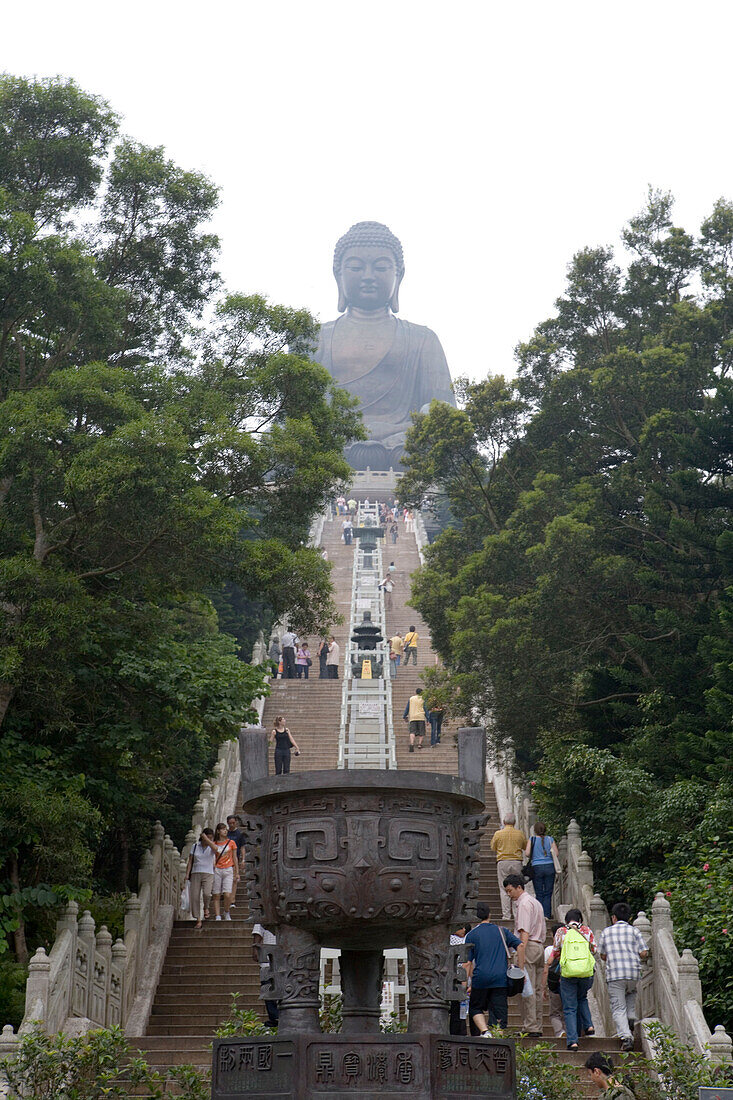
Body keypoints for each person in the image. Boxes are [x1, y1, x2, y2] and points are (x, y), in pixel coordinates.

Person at [312, 222, 455, 471]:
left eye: (380, 267)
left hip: (400, 444)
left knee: (445, 436)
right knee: (281, 439)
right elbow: (292, 413)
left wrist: (430, 417)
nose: (368, 276)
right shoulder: (312, 339)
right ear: (338, 274)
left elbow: (443, 407)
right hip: (335, 444)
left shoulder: (423, 339)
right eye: (356, 267)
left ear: (398, 275)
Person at [465, 902, 522, 1036]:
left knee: (475, 1007)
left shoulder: (471, 935)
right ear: (489, 914)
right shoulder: (502, 931)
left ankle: (484, 1031)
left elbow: (467, 963)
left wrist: (465, 982)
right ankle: (497, 1037)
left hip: (480, 978)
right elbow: (520, 946)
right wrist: (521, 969)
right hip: (500, 978)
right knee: (499, 1011)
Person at [598, 902, 649, 1051]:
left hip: (615, 975)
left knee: (618, 1007)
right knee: (631, 994)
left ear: (613, 917)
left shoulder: (606, 932)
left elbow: (602, 954)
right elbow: (644, 952)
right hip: (633, 973)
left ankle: (627, 1037)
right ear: (629, 917)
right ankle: (631, 1016)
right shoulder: (635, 931)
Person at [503, 873, 546, 1037]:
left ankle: (530, 1026)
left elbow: (524, 932)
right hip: (539, 947)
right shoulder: (536, 902)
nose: (509, 894)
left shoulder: (523, 904)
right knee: (535, 989)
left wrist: (520, 954)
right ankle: (537, 1025)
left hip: (528, 948)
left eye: (510, 890)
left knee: (525, 989)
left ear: (519, 887)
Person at [549, 907, 597, 1051]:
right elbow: (594, 950)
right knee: (582, 997)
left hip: (568, 974)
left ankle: (573, 1041)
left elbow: (556, 952)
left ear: (566, 921)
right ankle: (588, 1025)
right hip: (585, 973)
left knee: (569, 1008)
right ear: (580, 920)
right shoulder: (587, 931)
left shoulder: (562, 931)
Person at [491, 814, 527, 920]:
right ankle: (517, 914)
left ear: (503, 822)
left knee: (504, 888)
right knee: (517, 887)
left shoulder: (498, 833)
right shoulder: (520, 833)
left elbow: (493, 847)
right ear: (514, 822)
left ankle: (506, 915)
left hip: (503, 862)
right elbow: (524, 846)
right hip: (516, 862)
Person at [524, 822, 559, 919]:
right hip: (550, 867)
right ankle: (546, 915)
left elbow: (527, 853)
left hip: (537, 867)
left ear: (535, 830)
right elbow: (556, 853)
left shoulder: (532, 839)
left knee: (539, 893)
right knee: (548, 893)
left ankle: (539, 915)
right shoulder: (550, 839)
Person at [185, 828, 216, 931]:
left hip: (208, 872)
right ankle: (198, 919)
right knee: (195, 897)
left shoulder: (211, 846)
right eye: (208, 837)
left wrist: (208, 840)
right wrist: (187, 874)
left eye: (211, 838)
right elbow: (190, 861)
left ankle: (206, 907)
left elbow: (216, 849)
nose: (210, 839)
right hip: (195, 872)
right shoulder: (195, 846)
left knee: (207, 893)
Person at [252, 923, 279, 1028]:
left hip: (283, 959)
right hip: (267, 959)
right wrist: (255, 949)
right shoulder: (263, 914)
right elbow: (258, 931)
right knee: (268, 989)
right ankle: (274, 1018)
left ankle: (280, 1017)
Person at [543, 921, 566, 1039]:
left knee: (554, 1013)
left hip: (554, 984)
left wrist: (543, 988)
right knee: (567, 1009)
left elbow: (546, 970)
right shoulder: (568, 947)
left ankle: (559, 1031)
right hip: (567, 982)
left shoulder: (549, 950)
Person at [211, 822, 239, 921]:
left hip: (228, 869)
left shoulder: (231, 843)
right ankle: (217, 915)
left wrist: (237, 872)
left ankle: (226, 911)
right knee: (216, 894)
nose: (225, 831)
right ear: (218, 831)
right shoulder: (214, 844)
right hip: (217, 869)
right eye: (223, 829)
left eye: (226, 829)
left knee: (227, 894)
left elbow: (235, 858)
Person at [449, 921, 471, 1036]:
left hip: (454, 977)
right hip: (463, 978)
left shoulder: (452, 939)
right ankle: (462, 1032)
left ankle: (455, 1032)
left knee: (456, 1009)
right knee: (461, 1010)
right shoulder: (466, 940)